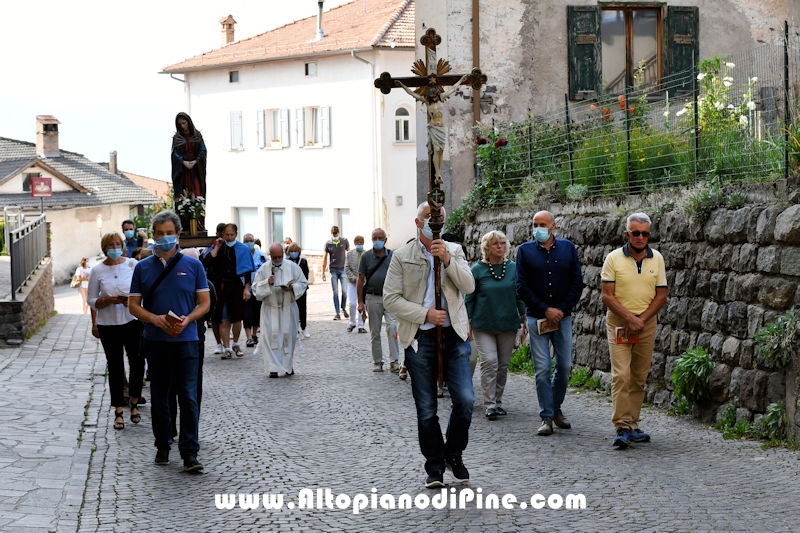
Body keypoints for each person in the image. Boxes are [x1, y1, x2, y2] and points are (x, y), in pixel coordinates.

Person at [383, 202, 475, 489]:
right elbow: (391, 299)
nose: (434, 222)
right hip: (420, 338)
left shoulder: (455, 250)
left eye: (439, 218)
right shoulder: (402, 256)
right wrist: (425, 314)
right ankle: (434, 465)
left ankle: (454, 454)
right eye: (428, 217)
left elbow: (469, 286)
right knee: (426, 408)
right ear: (417, 221)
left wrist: (447, 259)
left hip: (453, 335)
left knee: (466, 400)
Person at [128, 210, 210, 473]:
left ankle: (190, 453)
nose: (165, 238)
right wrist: (154, 319)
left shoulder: (193, 265)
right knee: (160, 396)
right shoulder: (142, 268)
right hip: (157, 341)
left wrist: (189, 319)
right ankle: (162, 445)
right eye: (160, 234)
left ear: (178, 235)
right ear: (153, 236)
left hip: (187, 339)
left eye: (169, 233)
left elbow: (205, 303)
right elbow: (133, 305)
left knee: (188, 396)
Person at [601, 212, 667, 449]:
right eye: (636, 233)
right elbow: (607, 295)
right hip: (620, 322)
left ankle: (632, 423)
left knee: (639, 376)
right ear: (626, 233)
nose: (640, 237)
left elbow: (661, 295)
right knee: (622, 374)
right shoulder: (613, 259)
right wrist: (629, 317)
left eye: (645, 233)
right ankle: (621, 426)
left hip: (645, 324)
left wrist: (642, 319)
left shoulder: (656, 259)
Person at [515, 210, 584, 436]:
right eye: (535, 223)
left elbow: (577, 282)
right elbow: (521, 286)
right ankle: (546, 416)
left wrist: (561, 310)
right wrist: (545, 309)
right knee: (542, 368)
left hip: (562, 317)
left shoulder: (567, 249)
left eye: (542, 224)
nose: (538, 228)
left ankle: (555, 407)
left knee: (564, 366)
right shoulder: (524, 251)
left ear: (553, 226)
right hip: (537, 317)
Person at [465, 230, 526, 421]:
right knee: (490, 361)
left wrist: (524, 315)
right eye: (495, 244)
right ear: (486, 248)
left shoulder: (514, 268)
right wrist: (467, 322)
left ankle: (498, 402)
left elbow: (519, 294)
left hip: (507, 323)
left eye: (502, 243)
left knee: (503, 365)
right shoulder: (477, 270)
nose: (499, 246)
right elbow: (469, 298)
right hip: (483, 324)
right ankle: (489, 404)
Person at [88, 232, 143, 430]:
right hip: (108, 323)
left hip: (131, 320)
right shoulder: (97, 270)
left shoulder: (132, 265)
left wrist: (132, 300)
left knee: (137, 361)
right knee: (115, 366)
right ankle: (118, 409)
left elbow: (141, 291)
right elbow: (91, 300)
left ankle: (135, 403)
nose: (114, 247)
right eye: (110, 245)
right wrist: (108, 300)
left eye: (117, 244)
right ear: (104, 248)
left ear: (123, 246)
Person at [252, 243, 308, 378]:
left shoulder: (293, 267)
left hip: (288, 308)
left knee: (288, 337)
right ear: (270, 256)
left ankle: (288, 366)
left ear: (283, 254)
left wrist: (292, 288)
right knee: (270, 337)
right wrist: (267, 283)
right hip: (270, 310)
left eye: (279, 257)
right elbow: (255, 289)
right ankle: (273, 368)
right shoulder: (264, 269)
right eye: (275, 257)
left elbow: (303, 283)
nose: (277, 260)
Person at [203, 223, 255, 358]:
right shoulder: (218, 247)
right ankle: (227, 348)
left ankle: (236, 343)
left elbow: (248, 271)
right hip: (221, 287)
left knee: (237, 318)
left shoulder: (243, 249)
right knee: (223, 318)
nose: (229, 237)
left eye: (232, 234)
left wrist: (247, 288)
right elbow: (207, 261)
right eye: (227, 234)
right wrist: (217, 246)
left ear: (236, 234)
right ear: (223, 234)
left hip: (236, 286)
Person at [357, 228, 401, 372]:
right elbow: (360, 279)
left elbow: (400, 275)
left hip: (390, 297)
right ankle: (378, 361)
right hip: (372, 297)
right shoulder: (366, 257)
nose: (377, 241)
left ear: (385, 240)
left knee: (392, 327)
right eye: (374, 238)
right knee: (374, 331)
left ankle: (395, 361)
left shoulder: (393, 255)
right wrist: (360, 302)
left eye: (379, 238)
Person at [171, 112, 207, 231]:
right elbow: (175, 153)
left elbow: (202, 150)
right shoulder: (177, 138)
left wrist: (196, 161)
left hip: (196, 171)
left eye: (184, 123)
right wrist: (183, 162)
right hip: (183, 172)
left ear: (189, 123)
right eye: (179, 124)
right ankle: (184, 227)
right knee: (183, 195)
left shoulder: (197, 135)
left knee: (197, 194)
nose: (182, 126)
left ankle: (199, 225)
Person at [203, 223, 227, 355]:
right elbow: (206, 261)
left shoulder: (232, 247)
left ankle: (229, 343)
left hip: (228, 285)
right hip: (215, 284)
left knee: (228, 317)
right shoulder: (212, 247)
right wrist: (217, 247)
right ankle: (219, 343)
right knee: (216, 317)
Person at [243, 233, 268, 348]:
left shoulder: (262, 256)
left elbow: (268, 270)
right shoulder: (241, 256)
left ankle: (254, 334)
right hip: (245, 289)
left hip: (258, 289)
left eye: (251, 240)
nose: (249, 242)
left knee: (257, 313)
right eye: (246, 240)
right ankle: (248, 337)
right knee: (247, 313)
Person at [322, 225, 349, 320]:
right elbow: (325, 257)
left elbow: (349, 254)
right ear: (331, 234)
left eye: (336, 234)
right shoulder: (328, 243)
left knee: (345, 291)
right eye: (333, 234)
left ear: (339, 233)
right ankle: (337, 313)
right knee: (335, 292)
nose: (335, 236)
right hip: (333, 270)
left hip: (343, 270)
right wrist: (323, 272)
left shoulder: (344, 241)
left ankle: (343, 307)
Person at [286, 242, 311, 338]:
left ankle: (303, 328)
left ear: (299, 252)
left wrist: (299, 285)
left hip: (301, 289)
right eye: (291, 251)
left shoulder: (303, 261)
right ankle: (295, 330)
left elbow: (306, 276)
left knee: (302, 308)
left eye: (295, 251)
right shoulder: (286, 262)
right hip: (290, 289)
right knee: (292, 309)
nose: (293, 253)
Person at [345, 235, 367, 333]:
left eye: (361, 242)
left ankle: (361, 325)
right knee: (352, 303)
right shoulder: (349, 254)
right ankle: (352, 323)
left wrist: (363, 279)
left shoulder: (366, 254)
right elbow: (346, 268)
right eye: (357, 242)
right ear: (354, 243)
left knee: (362, 303)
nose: (359, 244)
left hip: (363, 282)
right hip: (352, 282)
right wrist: (354, 278)